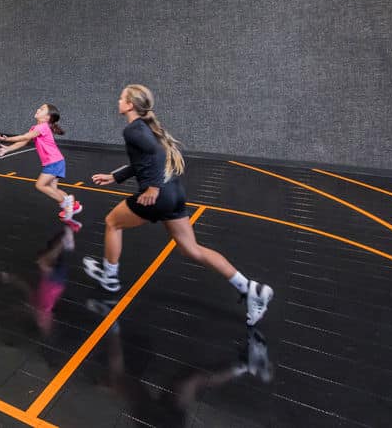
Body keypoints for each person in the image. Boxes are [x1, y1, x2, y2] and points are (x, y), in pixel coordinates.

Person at [83, 85, 273, 325]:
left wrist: (152, 187)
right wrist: (115, 177)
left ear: (130, 104)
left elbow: (155, 155)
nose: (118, 100)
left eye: (121, 98)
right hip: (174, 192)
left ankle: (109, 278)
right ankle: (250, 289)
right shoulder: (145, 128)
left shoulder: (133, 130)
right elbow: (142, 160)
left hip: (158, 194)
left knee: (112, 222)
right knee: (191, 249)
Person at [0, 104, 82, 221]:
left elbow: (23, 137)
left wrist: (7, 139)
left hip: (54, 162)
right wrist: (8, 148)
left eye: (41, 109)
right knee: (53, 189)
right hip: (56, 161)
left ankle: (66, 204)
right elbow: (23, 141)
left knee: (40, 185)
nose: (38, 109)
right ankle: (73, 204)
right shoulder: (36, 128)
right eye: (39, 108)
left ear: (47, 117)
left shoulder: (43, 127)